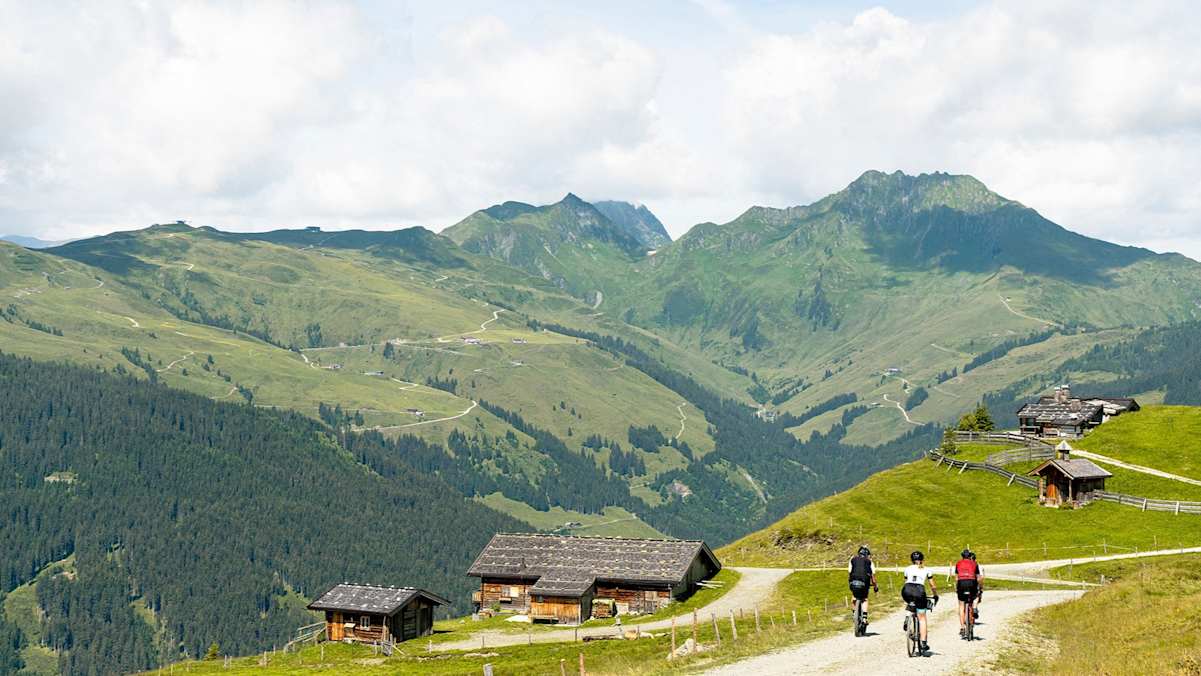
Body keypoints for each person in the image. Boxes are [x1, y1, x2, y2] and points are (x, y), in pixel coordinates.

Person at [901, 551, 939, 653]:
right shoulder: (927, 569)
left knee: (910, 602)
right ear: (922, 560)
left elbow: (906, 581)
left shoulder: (907, 569)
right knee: (922, 617)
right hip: (919, 590)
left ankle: (907, 616)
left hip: (906, 589)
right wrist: (935, 595)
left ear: (911, 559)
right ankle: (923, 642)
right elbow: (932, 585)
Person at [954, 549, 983, 638]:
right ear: (970, 556)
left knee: (961, 605)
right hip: (971, 582)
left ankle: (962, 627)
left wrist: (956, 588)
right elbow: (978, 578)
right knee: (975, 596)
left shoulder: (958, 563)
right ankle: (974, 608)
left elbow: (956, 578)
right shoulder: (974, 564)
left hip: (961, 583)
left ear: (962, 556)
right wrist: (979, 587)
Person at [847, 545, 879, 626]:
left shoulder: (852, 559)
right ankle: (864, 618)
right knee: (864, 599)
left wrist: (850, 582)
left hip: (853, 581)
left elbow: (850, 572)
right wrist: (875, 587)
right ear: (867, 555)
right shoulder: (869, 562)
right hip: (864, 582)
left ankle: (854, 614)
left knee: (854, 597)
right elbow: (873, 577)